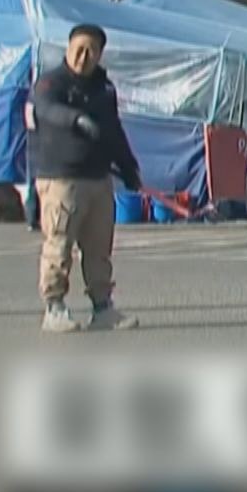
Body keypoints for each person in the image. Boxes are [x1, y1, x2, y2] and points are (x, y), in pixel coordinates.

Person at [31, 23, 143, 333]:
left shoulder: (104, 88)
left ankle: (103, 307)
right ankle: (54, 307)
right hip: (61, 178)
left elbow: (113, 130)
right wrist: (76, 119)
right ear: (68, 49)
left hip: (98, 178)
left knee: (99, 248)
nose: (84, 56)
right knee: (59, 243)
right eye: (79, 48)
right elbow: (45, 109)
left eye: (92, 50)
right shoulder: (50, 82)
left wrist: (128, 166)